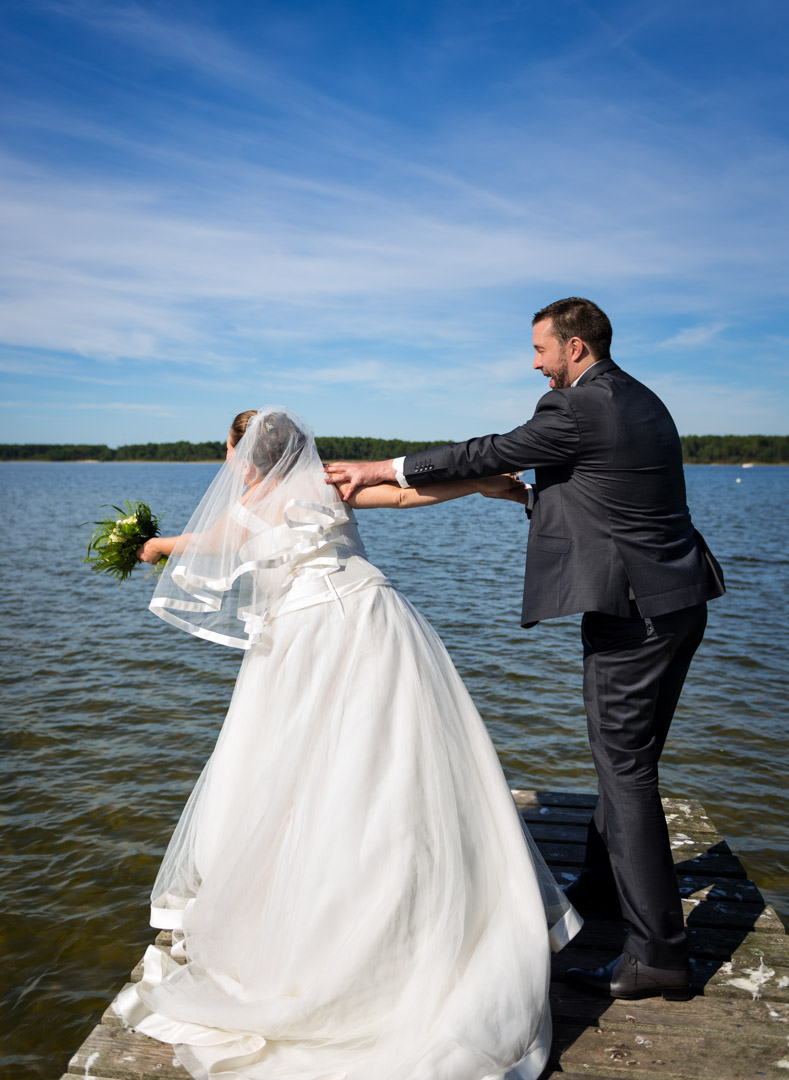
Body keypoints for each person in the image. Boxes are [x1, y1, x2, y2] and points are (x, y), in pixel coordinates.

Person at [114, 406, 582, 1080]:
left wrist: (153, 546)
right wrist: (477, 484)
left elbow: (207, 544)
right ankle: (425, 903)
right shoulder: (328, 483)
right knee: (393, 763)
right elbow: (403, 492)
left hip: (308, 639)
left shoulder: (250, 501)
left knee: (302, 774)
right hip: (377, 617)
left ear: (244, 454)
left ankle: (329, 921)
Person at [326, 298, 725, 1002]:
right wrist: (525, 501)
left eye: (540, 349)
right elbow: (610, 495)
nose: (534, 362)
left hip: (632, 614)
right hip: (677, 599)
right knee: (629, 761)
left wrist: (378, 465)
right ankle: (605, 892)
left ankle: (657, 954)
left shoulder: (573, 407)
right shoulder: (639, 398)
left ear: (573, 347)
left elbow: (484, 452)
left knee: (624, 769)